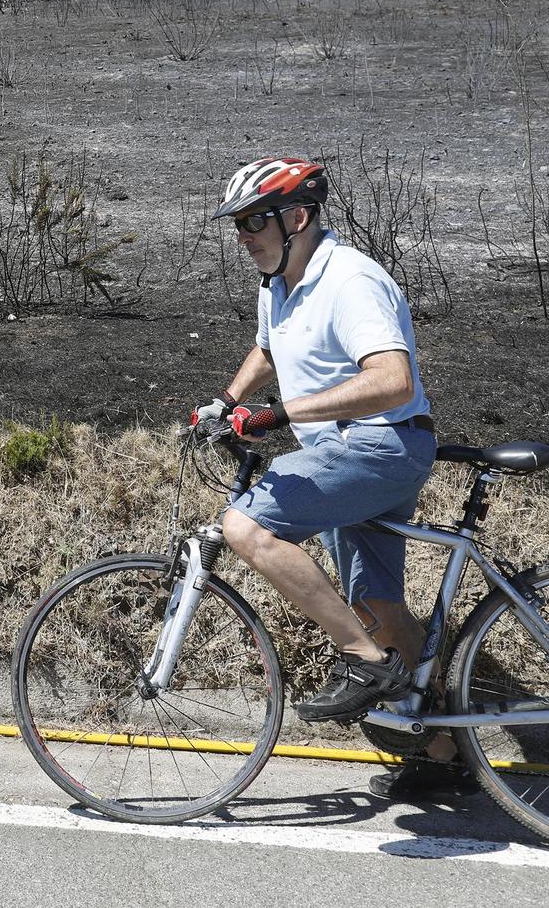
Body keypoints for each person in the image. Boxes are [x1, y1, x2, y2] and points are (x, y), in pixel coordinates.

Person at [191, 156, 472, 802]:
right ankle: (443, 753)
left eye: (254, 220)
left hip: (380, 445)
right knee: (377, 607)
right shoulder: (280, 278)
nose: (244, 234)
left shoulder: (349, 280)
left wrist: (283, 412)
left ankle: (365, 665)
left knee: (247, 523)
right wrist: (226, 399)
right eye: (237, 223)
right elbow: (270, 347)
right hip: (343, 449)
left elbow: (391, 379)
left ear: (296, 216)